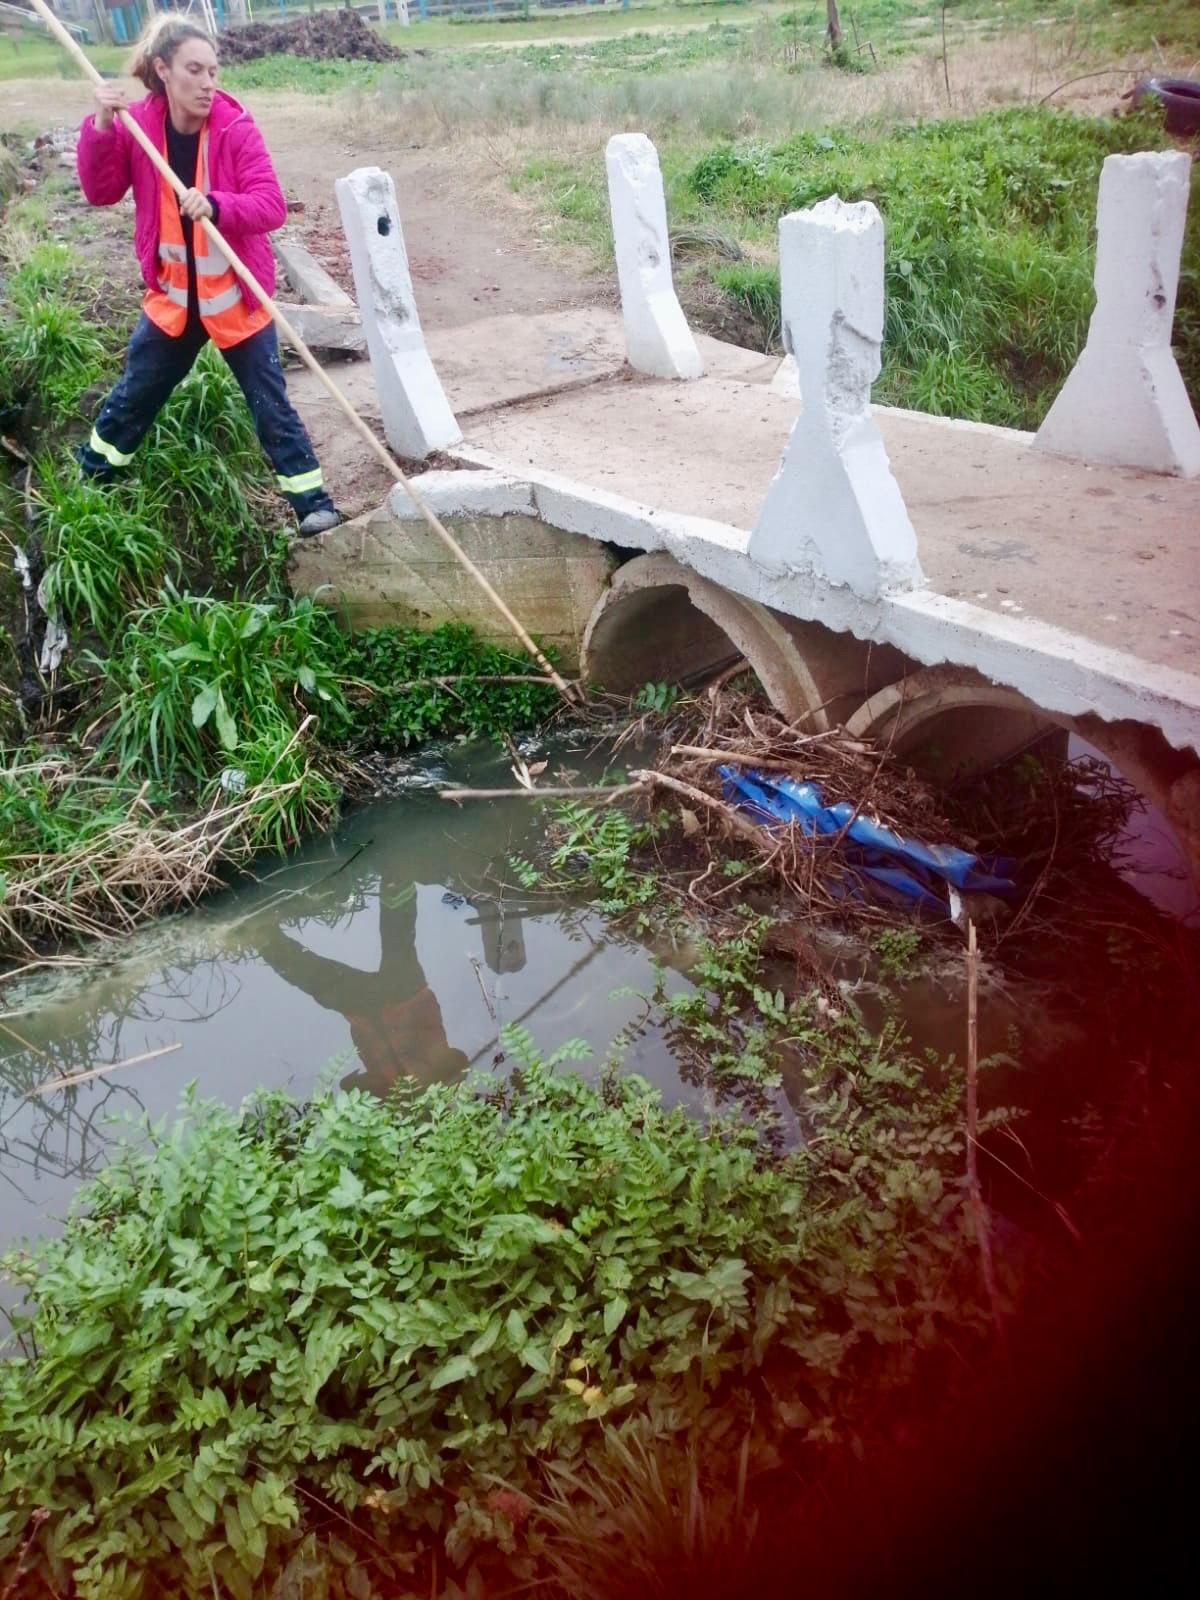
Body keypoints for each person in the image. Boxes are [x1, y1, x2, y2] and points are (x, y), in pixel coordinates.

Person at [74, 16, 341, 537]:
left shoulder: (235, 128)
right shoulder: (140, 128)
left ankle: (314, 506)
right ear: (163, 70)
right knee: (135, 393)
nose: (207, 81)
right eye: (194, 69)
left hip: (234, 297)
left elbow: (270, 206)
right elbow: (100, 191)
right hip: (174, 299)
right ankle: (93, 480)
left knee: (270, 406)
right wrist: (102, 126)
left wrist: (217, 206)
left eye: (213, 70)